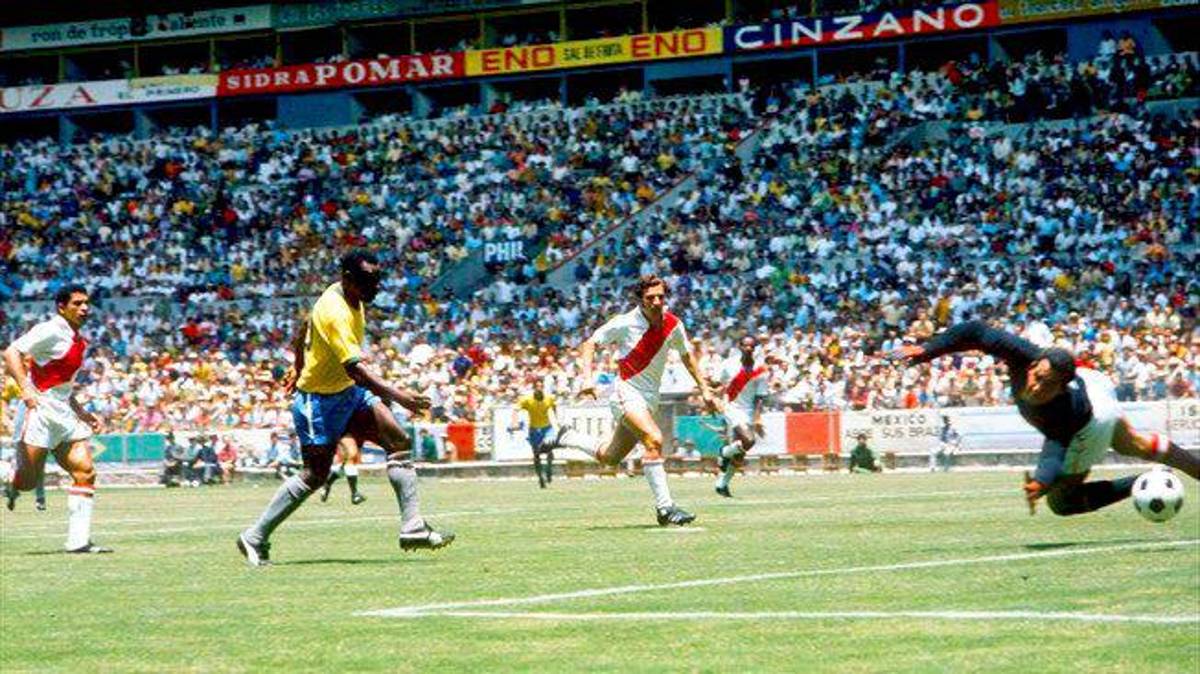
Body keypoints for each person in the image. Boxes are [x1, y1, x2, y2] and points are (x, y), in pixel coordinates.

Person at [238, 249, 453, 567]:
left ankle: (412, 527)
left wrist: (298, 364)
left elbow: (303, 330)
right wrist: (401, 396)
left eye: (379, 279)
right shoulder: (335, 311)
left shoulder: (351, 296)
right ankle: (254, 536)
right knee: (315, 474)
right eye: (370, 281)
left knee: (398, 441)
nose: (376, 287)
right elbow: (357, 369)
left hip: (348, 393)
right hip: (318, 401)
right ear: (348, 279)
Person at [896, 320, 1200, 516]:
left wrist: (1042, 482)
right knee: (1135, 444)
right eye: (1037, 376)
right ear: (1034, 363)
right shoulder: (1024, 355)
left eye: (1047, 385)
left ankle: (1147, 482)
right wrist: (927, 350)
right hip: (1091, 379)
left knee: (1062, 503)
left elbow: (1055, 443)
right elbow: (977, 332)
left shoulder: (1065, 410)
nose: (1036, 387)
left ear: (1061, 388)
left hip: (1091, 417)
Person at [545, 275, 720, 526]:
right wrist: (586, 379)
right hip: (625, 394)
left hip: (649, 399)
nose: (657, 301)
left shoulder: (673, 324)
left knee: (610, 457)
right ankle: (665, 508)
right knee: (654, 439)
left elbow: (686, 356)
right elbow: (589, 344)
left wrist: (704, 388)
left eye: (661, 296)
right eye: (650, 298)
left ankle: (567, 436)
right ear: (640, 299)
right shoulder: (625, 323)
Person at [1, 285, 110, 553]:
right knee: (27, 481)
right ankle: (10, 483)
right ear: (62, 307)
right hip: (39, 411)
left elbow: (62, 386)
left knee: (85, 471)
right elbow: (11, 352)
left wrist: (83, 413)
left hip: (64, 413)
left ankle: (78, 542)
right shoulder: (50, 329)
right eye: (77, 303)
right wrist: (25, 388)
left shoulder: (78, 341)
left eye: (86, 303)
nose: (84, 308)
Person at [711, 336, 770, 497]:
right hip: (731, 407)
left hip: (748, 410)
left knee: (739, 453)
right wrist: (711, 393)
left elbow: (760, 397)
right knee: (749, 440)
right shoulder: (729, 364)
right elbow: (717, 383)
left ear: (756, 348)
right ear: (740, 347)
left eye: (752, 346)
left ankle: (722, 485)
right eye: (745, 346)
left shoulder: (760, 370)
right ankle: (724, 452)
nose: (749, 349)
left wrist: (757, 418)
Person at [510, 378, 558, 489]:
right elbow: (515, 409)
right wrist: (514, 422)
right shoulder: (527, 400)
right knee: (536, 454)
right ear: (534, 388)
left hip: (547, 428)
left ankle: (549, 469)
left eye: (541, 387)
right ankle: (540, 478)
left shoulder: (549, 398)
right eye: (537, 386)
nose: (539, 389)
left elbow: (554, 406)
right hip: (534, 430)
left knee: (549, 448)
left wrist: (556, 417)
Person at [320, 435, 367, 505]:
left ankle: (327, 485)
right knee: (349, 461)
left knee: (345, 464)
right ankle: (355, 494)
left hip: (350, 436)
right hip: (347, 434)